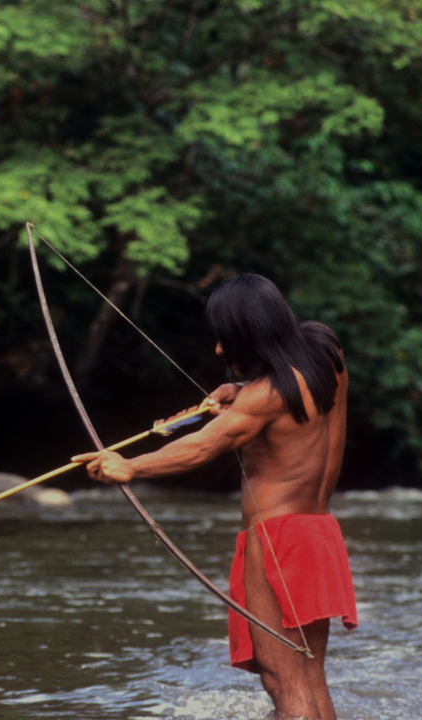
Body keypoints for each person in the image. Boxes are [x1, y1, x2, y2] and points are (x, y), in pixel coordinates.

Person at [72, 273, 357, 720]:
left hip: (277, 540)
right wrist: (241, 390)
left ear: (251, 334)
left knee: (283, 681)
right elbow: (282, 391)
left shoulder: (263, 398)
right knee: (308, 675)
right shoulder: (325, 352)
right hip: (318, 534)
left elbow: (202, 446)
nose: (220, 351)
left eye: (226, 339)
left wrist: (127, 466)